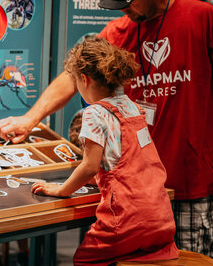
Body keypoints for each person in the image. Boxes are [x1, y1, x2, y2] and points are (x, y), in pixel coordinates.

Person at [0, 0, 213, 258]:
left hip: (190, 179)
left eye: (130, 0)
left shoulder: (203, 16)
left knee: (188, 259)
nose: (124, 10)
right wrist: (30, 119)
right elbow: (73, 76)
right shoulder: (117, 31)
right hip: (135, 190)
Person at [32, 37, 178, 265]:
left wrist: (61, 190)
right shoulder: (133, 107)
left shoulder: (94, 113)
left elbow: (89, 165)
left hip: (126, 219)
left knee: (84, 260)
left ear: (84, 79)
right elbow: (129, 163)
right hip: (161, 220)